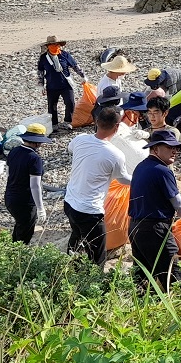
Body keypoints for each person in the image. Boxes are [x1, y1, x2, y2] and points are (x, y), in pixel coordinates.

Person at [127, 129, 181, 294]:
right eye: (169, 147)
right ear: (155, 149)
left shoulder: (141, 167)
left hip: (135, 227)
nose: (174, 151)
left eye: (176, 148)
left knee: (144, 276)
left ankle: (142, 311)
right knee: (173, 273)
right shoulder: (162, 170)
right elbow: (177, 202)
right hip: (155, 229)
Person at [64, 105, 133, 268]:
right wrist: (141, 180)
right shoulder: (115, 155)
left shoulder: (79, 139)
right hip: (90, 211)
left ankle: (70, 268)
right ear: (117, 127)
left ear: (96, 121)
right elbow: (123, 179)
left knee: (77, 236)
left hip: (69, 202)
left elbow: (70, 149)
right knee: (97, 253)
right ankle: (94, 283)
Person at [4, 123, 51, 244]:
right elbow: (35, 186)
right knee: (25, 234)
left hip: (10, 197)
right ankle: (17, 258)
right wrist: (40, 208)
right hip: (25, 202)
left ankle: (11, 252)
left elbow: (9, 175)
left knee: (19, 226)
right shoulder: (34, 158)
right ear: (37, 142)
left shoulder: (13, 152)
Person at [36, 35, 85, 133]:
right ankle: (54, 124)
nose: (55, 46)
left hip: (66, 85)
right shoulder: (43, 58)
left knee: (70, 103)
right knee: (52, 105)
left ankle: (68, 121)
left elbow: (75, 66)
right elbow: (40, 72)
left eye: (57, 44)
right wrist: (41, 85)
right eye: (52, 44)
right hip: (51, 86)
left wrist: (83, 76)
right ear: (48, 46)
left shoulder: (64, 55)